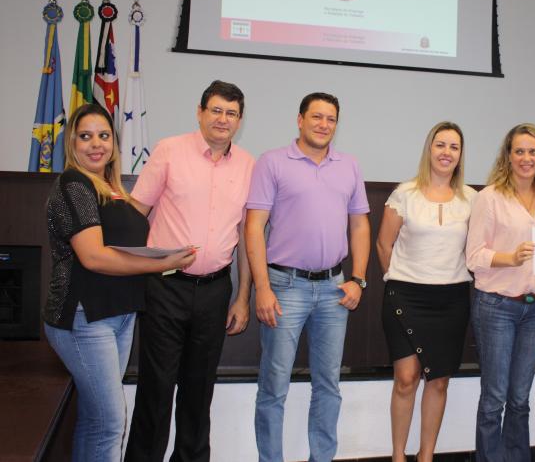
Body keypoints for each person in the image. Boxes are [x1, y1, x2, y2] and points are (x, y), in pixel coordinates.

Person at [43, 103, 196, 462]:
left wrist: (165, 254)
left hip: (119, 314)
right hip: (85, 317)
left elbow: (121, 244)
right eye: (85, 136)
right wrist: (162, 264)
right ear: (72, 143)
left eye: (104, 136)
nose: (96, 144)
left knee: (97, 419)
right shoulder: (75, 185)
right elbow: (94, 257)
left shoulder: (110, 189)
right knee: (111, 423)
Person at [124, 80, 255, 462]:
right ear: (200, 112)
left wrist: (242, 297)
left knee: (200, 389)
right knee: (157, 386)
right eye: (216, 110)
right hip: (165, 287)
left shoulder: (248, 165)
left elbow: (246, 237)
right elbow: (136, 215)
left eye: (231, 113)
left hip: (215, 290)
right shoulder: (169, 150)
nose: (223, 119)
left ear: (240, 121)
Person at [246, 92, 371, 462]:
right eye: (316, 117)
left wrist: (358, 279)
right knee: (274, 386)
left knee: (328, 385)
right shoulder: (272, 162)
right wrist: (262, 288)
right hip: (284, 288)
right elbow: (254, 228)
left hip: (335, 289)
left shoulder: (349, 165)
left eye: (331, 119)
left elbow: (360, 225)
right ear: (300, 120)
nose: (323, 124)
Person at [376, 122, 477, 462]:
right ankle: (397, 456)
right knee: (406, 378)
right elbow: (384, 244)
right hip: (406, 297)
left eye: (454, 147)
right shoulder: (404, 193)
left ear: (460, 155)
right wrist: (400, 279)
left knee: (438, 381)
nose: (446, 152)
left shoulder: (472, 199)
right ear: (429, 149)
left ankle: (426, 456)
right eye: (440, 144)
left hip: (452, 300)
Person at [466, 123, 535, 462]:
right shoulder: (489, 197)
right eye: (519, 151)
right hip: (497, 307)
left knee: (520, 398)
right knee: (494, 399)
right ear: (508, 156)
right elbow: (473, 257)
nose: (526, 158)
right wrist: (511, 257)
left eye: (533, 151)